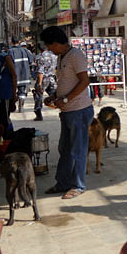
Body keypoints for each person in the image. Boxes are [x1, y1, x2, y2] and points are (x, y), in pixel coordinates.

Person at [41, 26, 93, 200]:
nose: (49, 50)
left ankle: (78, 185)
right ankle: (62, 182)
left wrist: (65, 99)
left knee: (77, 150)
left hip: (79, 110)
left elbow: (84, 81)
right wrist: (55, 97)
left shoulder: (76, 56)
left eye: (50, 46)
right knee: (64, 149)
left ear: (56, 43)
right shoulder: (61, 57)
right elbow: (66, 82)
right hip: (67, 111)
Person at [8, 37, 34, 113]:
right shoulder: (25, 50)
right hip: (24, 75)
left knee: (12, 90)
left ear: (11, 42)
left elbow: (8, 63)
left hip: (14, 75)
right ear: (19, 42)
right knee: (22, 91)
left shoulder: (10, 51)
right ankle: (21, 106)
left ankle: (13, 105)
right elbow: (31, 61)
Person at [33, 42, 58, 121]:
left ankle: (38, 113)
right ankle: (61, 108)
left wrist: (39, 84)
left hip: (43, 79)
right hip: (52, 78)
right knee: (54, 94)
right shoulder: (53, 56)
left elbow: (41, 71)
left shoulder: (40, 57)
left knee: (38, 96)